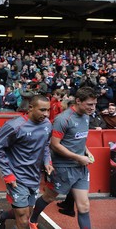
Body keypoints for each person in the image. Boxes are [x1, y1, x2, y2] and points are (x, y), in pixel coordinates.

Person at [29, 87, 97, 229]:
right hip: (63, 168)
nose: (93, 108)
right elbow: (55, 145)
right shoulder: (63, 119)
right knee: (49, 197)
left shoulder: (86, 116)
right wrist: (78, 157)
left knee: (84, 206)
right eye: (90, 104)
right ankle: (32, 219)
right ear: (78, 101)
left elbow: (78, 139)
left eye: (94, 104)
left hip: (80, 168)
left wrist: (86, 151)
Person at [0, 95, 53, 229]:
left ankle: (2, 216)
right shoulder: (14, 126)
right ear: (30, 108)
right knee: (23, 219)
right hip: (17, 177)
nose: (46, 114)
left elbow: (46, 145)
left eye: (48, 110)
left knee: (27, 213)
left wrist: (47, 162)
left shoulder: (47, 125)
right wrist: (8, 174)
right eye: (42, 110)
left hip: (34, 177)